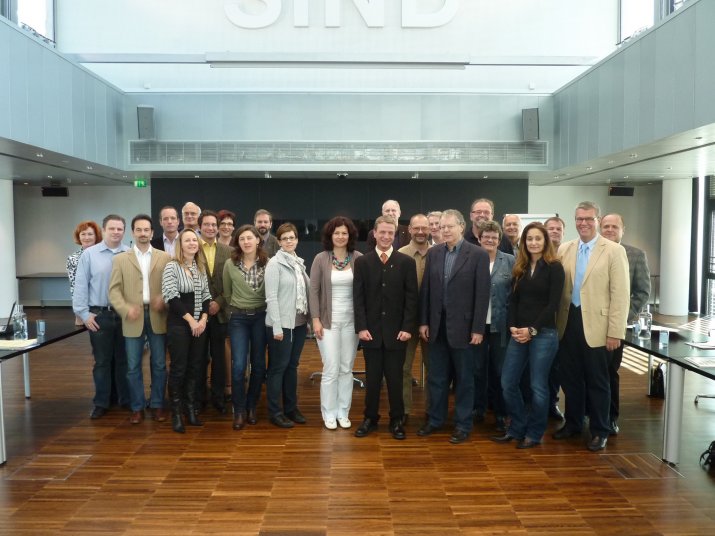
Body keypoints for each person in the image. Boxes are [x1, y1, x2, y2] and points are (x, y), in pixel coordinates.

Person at [553, 201, 629, 452]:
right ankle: (573, 423)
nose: (583, 223)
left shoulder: (614, 251)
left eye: (588, 219)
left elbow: (620, 295)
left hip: (599, 327)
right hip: (568, 323)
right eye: (579, 219)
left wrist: (615, 332)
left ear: (597, 220)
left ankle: (599, 430)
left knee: (598, 381)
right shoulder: (565, 248)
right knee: (571, 379)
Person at [417, 209, 490, 444]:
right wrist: (424, 321)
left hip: (465, 329)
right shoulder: (434, 253)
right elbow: (426, 290)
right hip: (436, 328)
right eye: (442, 227)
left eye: (450, 226)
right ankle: (435, 420)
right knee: (436, 378)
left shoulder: (478, 254)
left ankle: (462, 424)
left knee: (465, 380)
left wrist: (478, 329)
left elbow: (482, 295)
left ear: (461, 227)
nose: (445, 230)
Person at [491, 222, 565, 449]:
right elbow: (513, 301)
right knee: (508, 382)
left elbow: (553, 304)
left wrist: (532, 329)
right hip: (518, 333)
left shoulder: (555, 267)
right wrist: (513, 326)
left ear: (545, 241)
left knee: (538, 386)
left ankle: (534, 433)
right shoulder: (520, 267)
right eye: (529, 239)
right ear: (524, 242)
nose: (533, 243)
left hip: (543, 334)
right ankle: (517, 427)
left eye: (538, 238)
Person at [353, 215, 418, 440]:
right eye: (382, 232)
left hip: (397, 333)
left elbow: (412, 299)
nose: (386, 236)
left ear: (395, 234)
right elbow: (358, 298)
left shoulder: (406, 262)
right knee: (372, 380)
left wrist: (407, 327)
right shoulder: (363, 262)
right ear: (374, 233)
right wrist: (361, 327)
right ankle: (370, 418)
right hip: (370, 333)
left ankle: (396, 419)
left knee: (395, 379)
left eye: (390, 233)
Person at [109, 214, 171, 424]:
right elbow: (114, 291)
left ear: (152, 233)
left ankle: (157, 405)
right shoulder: (120, 259)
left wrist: (164, 299)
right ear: (133, 232)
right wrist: (125, 309)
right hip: (132, 317)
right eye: (139, 230)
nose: (143, 233)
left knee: (159, 364)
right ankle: (137, 407)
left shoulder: (165, 258)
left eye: (146, 230)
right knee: (133, 366)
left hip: (158, 315)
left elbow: (171, 286)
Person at [72, 214, 130, 419]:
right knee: (102, 361)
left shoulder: (129, 253)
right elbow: (80, 285)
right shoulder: (89, 255)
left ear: (124, 231)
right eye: (112, 228)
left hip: (124, 315)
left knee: (124, 360)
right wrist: (84, 314)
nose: (116, 232)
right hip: (99, 315)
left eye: (120, 229)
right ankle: (101, 402)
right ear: (104, 230)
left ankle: (125, 399)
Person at [309, 216, 362, 430]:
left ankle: (343, 412)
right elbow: (313, 291)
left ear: (350, 236)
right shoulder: (320, 259)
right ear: (330, 236)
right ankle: (329, 413)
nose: (340, 236)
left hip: (352, 323)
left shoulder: (358, 258)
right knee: (331, 368)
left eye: (344, 233)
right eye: (336, 233)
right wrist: (315, 320)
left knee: (346, 368)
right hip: (327, 323)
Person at [600, 213, 651, 434]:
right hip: (589, 324)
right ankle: (589, 413)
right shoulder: (591, 251)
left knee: (609, 372)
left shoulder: (635, 255)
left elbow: (642, 292)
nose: (610, 230)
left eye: (614, 226)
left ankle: (610, 417)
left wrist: (623, 317)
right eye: (606, 226)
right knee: (589, 372)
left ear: (623, 230)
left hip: (615, 328)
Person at [162, 229, 212, 433]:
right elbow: (172, 297)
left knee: (195, 367)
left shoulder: (200, 267)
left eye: (194, 240)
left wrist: (203, 320)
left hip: (200, 325)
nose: (192, 243)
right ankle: (176, 413)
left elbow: (207, 296)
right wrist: (191, 321)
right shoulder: (172, 266)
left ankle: (190, 409)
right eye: (187, 240)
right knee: (179, 368)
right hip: (179, 325)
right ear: (180, 245)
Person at [265, 222, 311, 428]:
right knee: (278, 368)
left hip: (298, 323)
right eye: (285, 238)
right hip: (281, 325)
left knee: (292, 366)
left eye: (292, 237)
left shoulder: (298, 263)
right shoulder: (274, 264)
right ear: (279, 242)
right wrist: (276, 327)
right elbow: (271, 298)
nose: (289, 241)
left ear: (297, 240)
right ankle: (275, 412)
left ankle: (291, 408)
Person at [223, 225, 269, 430]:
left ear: (258, 240)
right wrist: (238, 308)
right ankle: (239, 410)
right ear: (238, 242)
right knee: (239, 366)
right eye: (242, 239)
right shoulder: (230, 264)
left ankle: (252, 406)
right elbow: (227, 293)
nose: (246, 242)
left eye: (250, 238)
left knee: (258, 365)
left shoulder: (268, 263)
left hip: (261, 317)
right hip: (238, 319)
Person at [473, 220, 514, 432]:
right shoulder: (471, 259)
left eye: (494, 237)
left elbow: (516, 295)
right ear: (479, 239)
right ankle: (478, 410)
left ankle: (501, 413)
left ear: (499, 240)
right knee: (477, 369)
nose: (490, 240)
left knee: (500, 371)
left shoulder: (510, 261)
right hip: (476, 326)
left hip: (501, 326)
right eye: (486, 237)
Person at [196, 210, 231, 414]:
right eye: (206, 224)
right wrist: (204, 304)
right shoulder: (191, 247)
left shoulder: (229, 251)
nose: (210, 228)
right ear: (199, 226)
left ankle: (218, 397)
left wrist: (218, 302)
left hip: (220, 312)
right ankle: (200, 398)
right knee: (199, 358)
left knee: (219, 358)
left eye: (213, 225)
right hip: (197, 313)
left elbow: (233, 282)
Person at [398, 214, 431, 422]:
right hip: (406, 323)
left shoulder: (439, 253)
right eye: (416, 228)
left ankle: (432, 411)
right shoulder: (400, 255)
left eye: (424, 228)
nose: (420, 232)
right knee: (403, 369)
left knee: (434, 370)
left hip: (433, 323)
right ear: (409, 229)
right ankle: (404, 412)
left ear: (429, 230)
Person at [67, 220, 102, 325]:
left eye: (90, 234)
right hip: (84, 307)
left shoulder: (104, 255)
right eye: (83, 234)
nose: (86, 237)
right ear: (79, 236)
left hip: (103, 306)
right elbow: (74, 287)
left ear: (96, 236)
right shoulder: (73, 258)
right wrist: (79, 312)